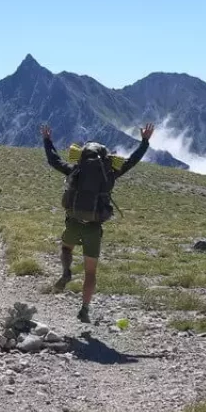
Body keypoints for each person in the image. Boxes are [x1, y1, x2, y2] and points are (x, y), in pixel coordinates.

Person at [40, 122, 155, 322]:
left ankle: (66, 272)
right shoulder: (110, 174)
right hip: (94, 227)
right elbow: (132, 160)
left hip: (74, 222)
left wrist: (47, 140)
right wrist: (144, 141)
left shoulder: (75, 170)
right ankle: (85, 309)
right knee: (90, 272)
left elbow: (54, 160)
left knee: (66, 248)